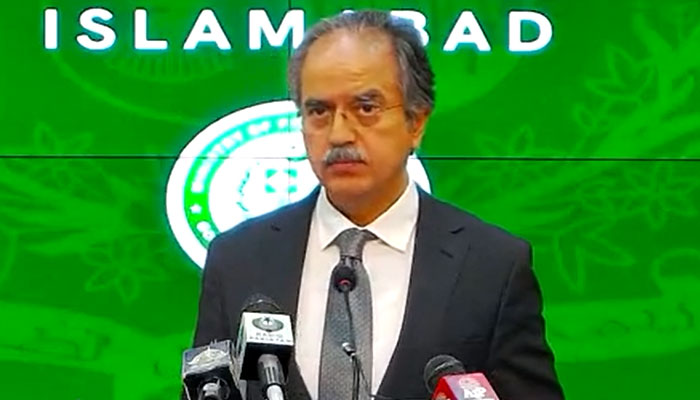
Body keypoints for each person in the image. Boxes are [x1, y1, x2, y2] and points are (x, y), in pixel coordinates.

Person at [190, 10, 564, 400]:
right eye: (318, 112)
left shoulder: (492, 266)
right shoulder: (238, 260)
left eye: (366, 108)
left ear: (416, 122)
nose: (339, 134)